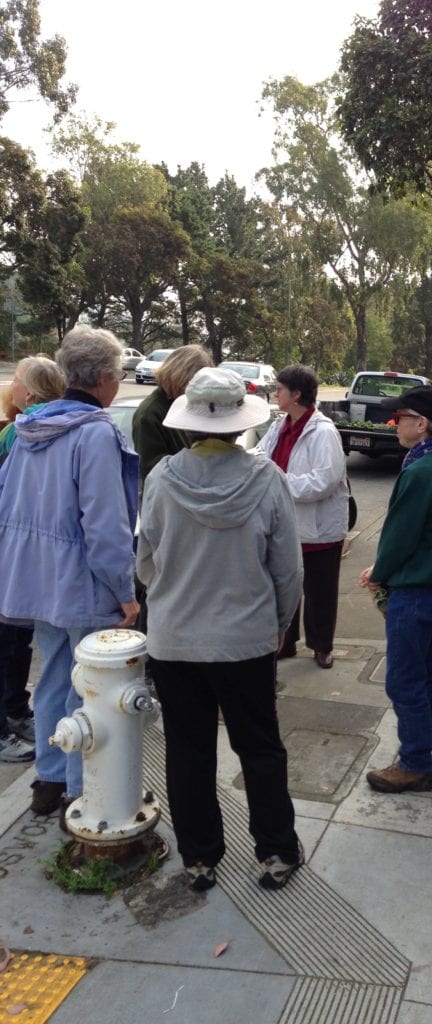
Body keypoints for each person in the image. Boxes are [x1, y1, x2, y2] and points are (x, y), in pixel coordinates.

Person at [137, 367, 304, 892]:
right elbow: (288, 570)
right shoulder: (267, 480)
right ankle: (275, 850)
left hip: (175, 640)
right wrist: (278, 625)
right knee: (259, 747)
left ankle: (200, 857)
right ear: (239, 425)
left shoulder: (161, 478)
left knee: (188, 750)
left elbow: (145, 564)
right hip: (245, 640)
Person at [0, 325, 139, 817]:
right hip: (81, 581)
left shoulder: (26, 428)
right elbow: (105, 526)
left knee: (55, 676)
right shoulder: (95, 433)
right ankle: (85, 789)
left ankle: (49, 778)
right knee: (92, 687)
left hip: (33, 578)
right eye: (119, 374)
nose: (119, 382)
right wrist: (125, 591)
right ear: (102, 378)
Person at [360, 385, 432, 793]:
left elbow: (399, 537)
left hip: (417, 589)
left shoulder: (421, 470)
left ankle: (415, 763)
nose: (394, 423)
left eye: (400, 416)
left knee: (404, 680)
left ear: (421, 424)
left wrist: (379, 573)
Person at [257, 364, 348, 669]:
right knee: (286, 587)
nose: (275, 393)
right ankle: (287, 642)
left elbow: (325, 481)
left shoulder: (323, 431)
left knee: (320, 591)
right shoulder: (279, 426)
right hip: (285, 525)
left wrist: (279, 481)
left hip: (318, 528)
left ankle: (322, 646)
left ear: (296, 394)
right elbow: (260, 455)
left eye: (280, 388)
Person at [0, 357, 66, 763]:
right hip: (22, 555)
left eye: (15, 383)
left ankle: (14, 711)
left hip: (16, 554)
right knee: (13, 639)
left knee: (13, 639)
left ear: (27, 393)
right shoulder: (22, 431)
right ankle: (13, 714)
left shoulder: (18, 431)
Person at [132, 344, 213, 491]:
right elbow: (153, 469)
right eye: (191, 383)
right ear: (176, 377)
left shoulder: (187, 404)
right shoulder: (150, 413)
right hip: (165, 501)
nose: (196, 391)